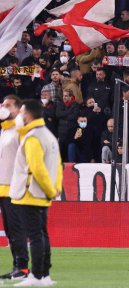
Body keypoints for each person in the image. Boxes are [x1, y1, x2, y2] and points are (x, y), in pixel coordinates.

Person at [11, 99, 61, 287]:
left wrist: (49, 189)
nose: (19, 116)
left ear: (29, 114)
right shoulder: (48, 135)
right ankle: (44, 275)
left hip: (29, 192)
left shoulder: (33, 137)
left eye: (22, 112)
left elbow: (37, 168)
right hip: (42, 193)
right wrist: (55, 189)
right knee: (42, 234)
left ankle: (37, 276)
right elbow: (57, 165)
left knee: (35, 235)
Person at [0, 96, 27, 281]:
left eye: (8, 105)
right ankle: (17, 266)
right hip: (3, 186)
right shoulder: (6, 130)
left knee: (17, 229)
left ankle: (23, 268)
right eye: (2, 104)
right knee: (10, 230)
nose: (3, 107)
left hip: (15, 187)